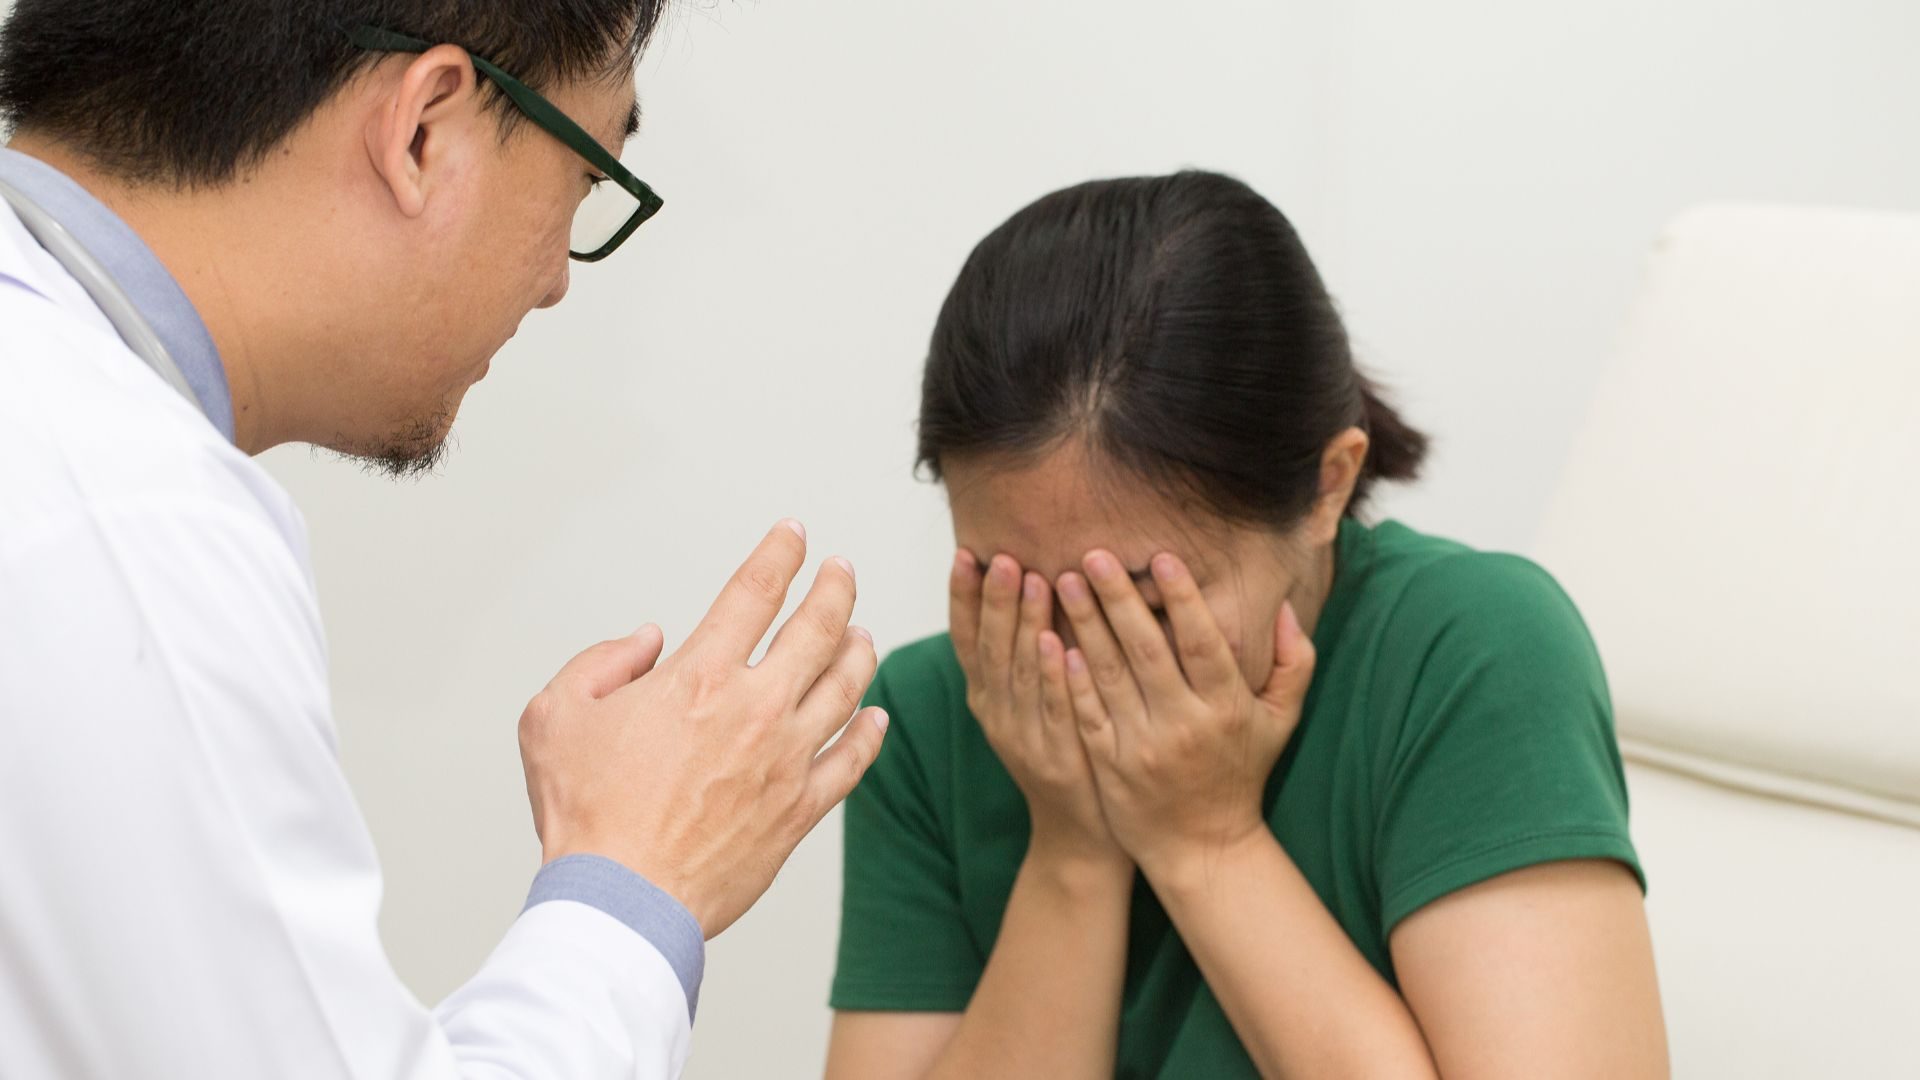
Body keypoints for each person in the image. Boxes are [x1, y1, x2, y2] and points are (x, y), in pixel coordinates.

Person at [0, 2, 889, 1076]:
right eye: (587, 179)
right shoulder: (133, 528)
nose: (557, 282)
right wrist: (638, 872)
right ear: (424, 127)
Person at [825, 171, 1669, 1078]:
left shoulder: (1470, 652)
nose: (1074, 658)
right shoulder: (928, 715)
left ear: (1328, 488)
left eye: (1144, 605)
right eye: (1013, 588)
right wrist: (1072, 851)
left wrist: (1206, 840)